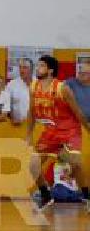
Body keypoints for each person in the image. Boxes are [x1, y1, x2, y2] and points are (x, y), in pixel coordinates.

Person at [26, 55, 90, 210]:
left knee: (75, 163)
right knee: (33, 165)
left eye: (41, 65)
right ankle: (46, 196)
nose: (37, 68)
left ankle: (87, 196)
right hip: (51, 131)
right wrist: (28, 135)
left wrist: (88, 130)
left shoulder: (62, 88)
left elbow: (78, 113)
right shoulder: (34, 86)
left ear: (50, 70)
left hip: (69, 130)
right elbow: (32, 112)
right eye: (38, 65)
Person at [8, 58, 34, 125]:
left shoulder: (39, 84)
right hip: (17, 125)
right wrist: (12, 117)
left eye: (25, 68)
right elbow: (7, 104)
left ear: (31, 69)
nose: (21, 70)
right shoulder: (12, 84)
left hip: (36, 124)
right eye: (20, 67)